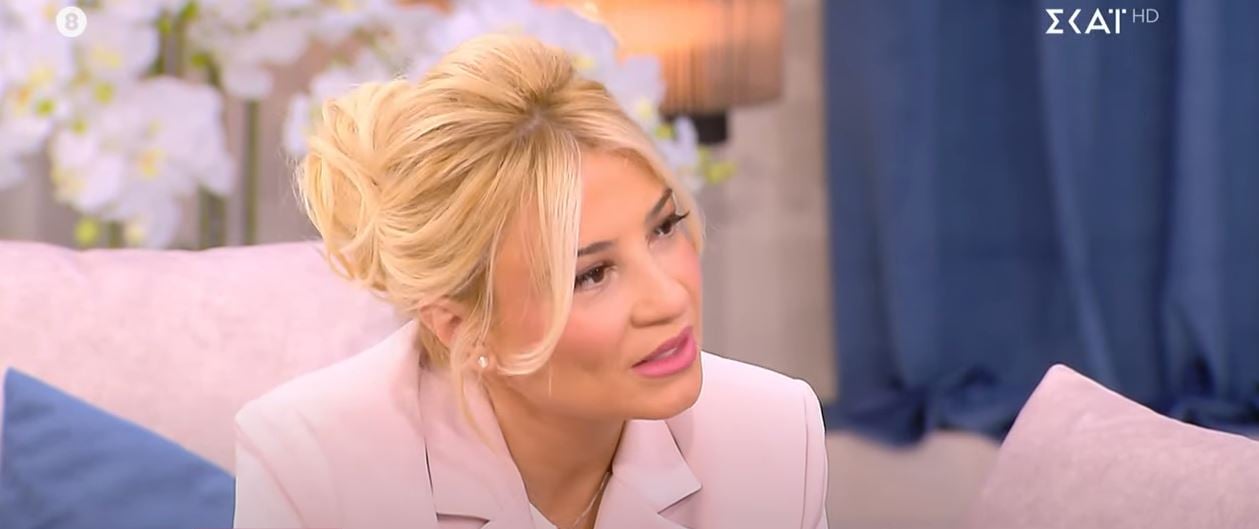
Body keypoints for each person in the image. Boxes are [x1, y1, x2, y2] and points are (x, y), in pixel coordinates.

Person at [232, 33, 828, 529]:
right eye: (592, 274)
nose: (670, 298)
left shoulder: (774, 435)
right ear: (461, 324)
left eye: (664, 228)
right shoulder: (312, 469)